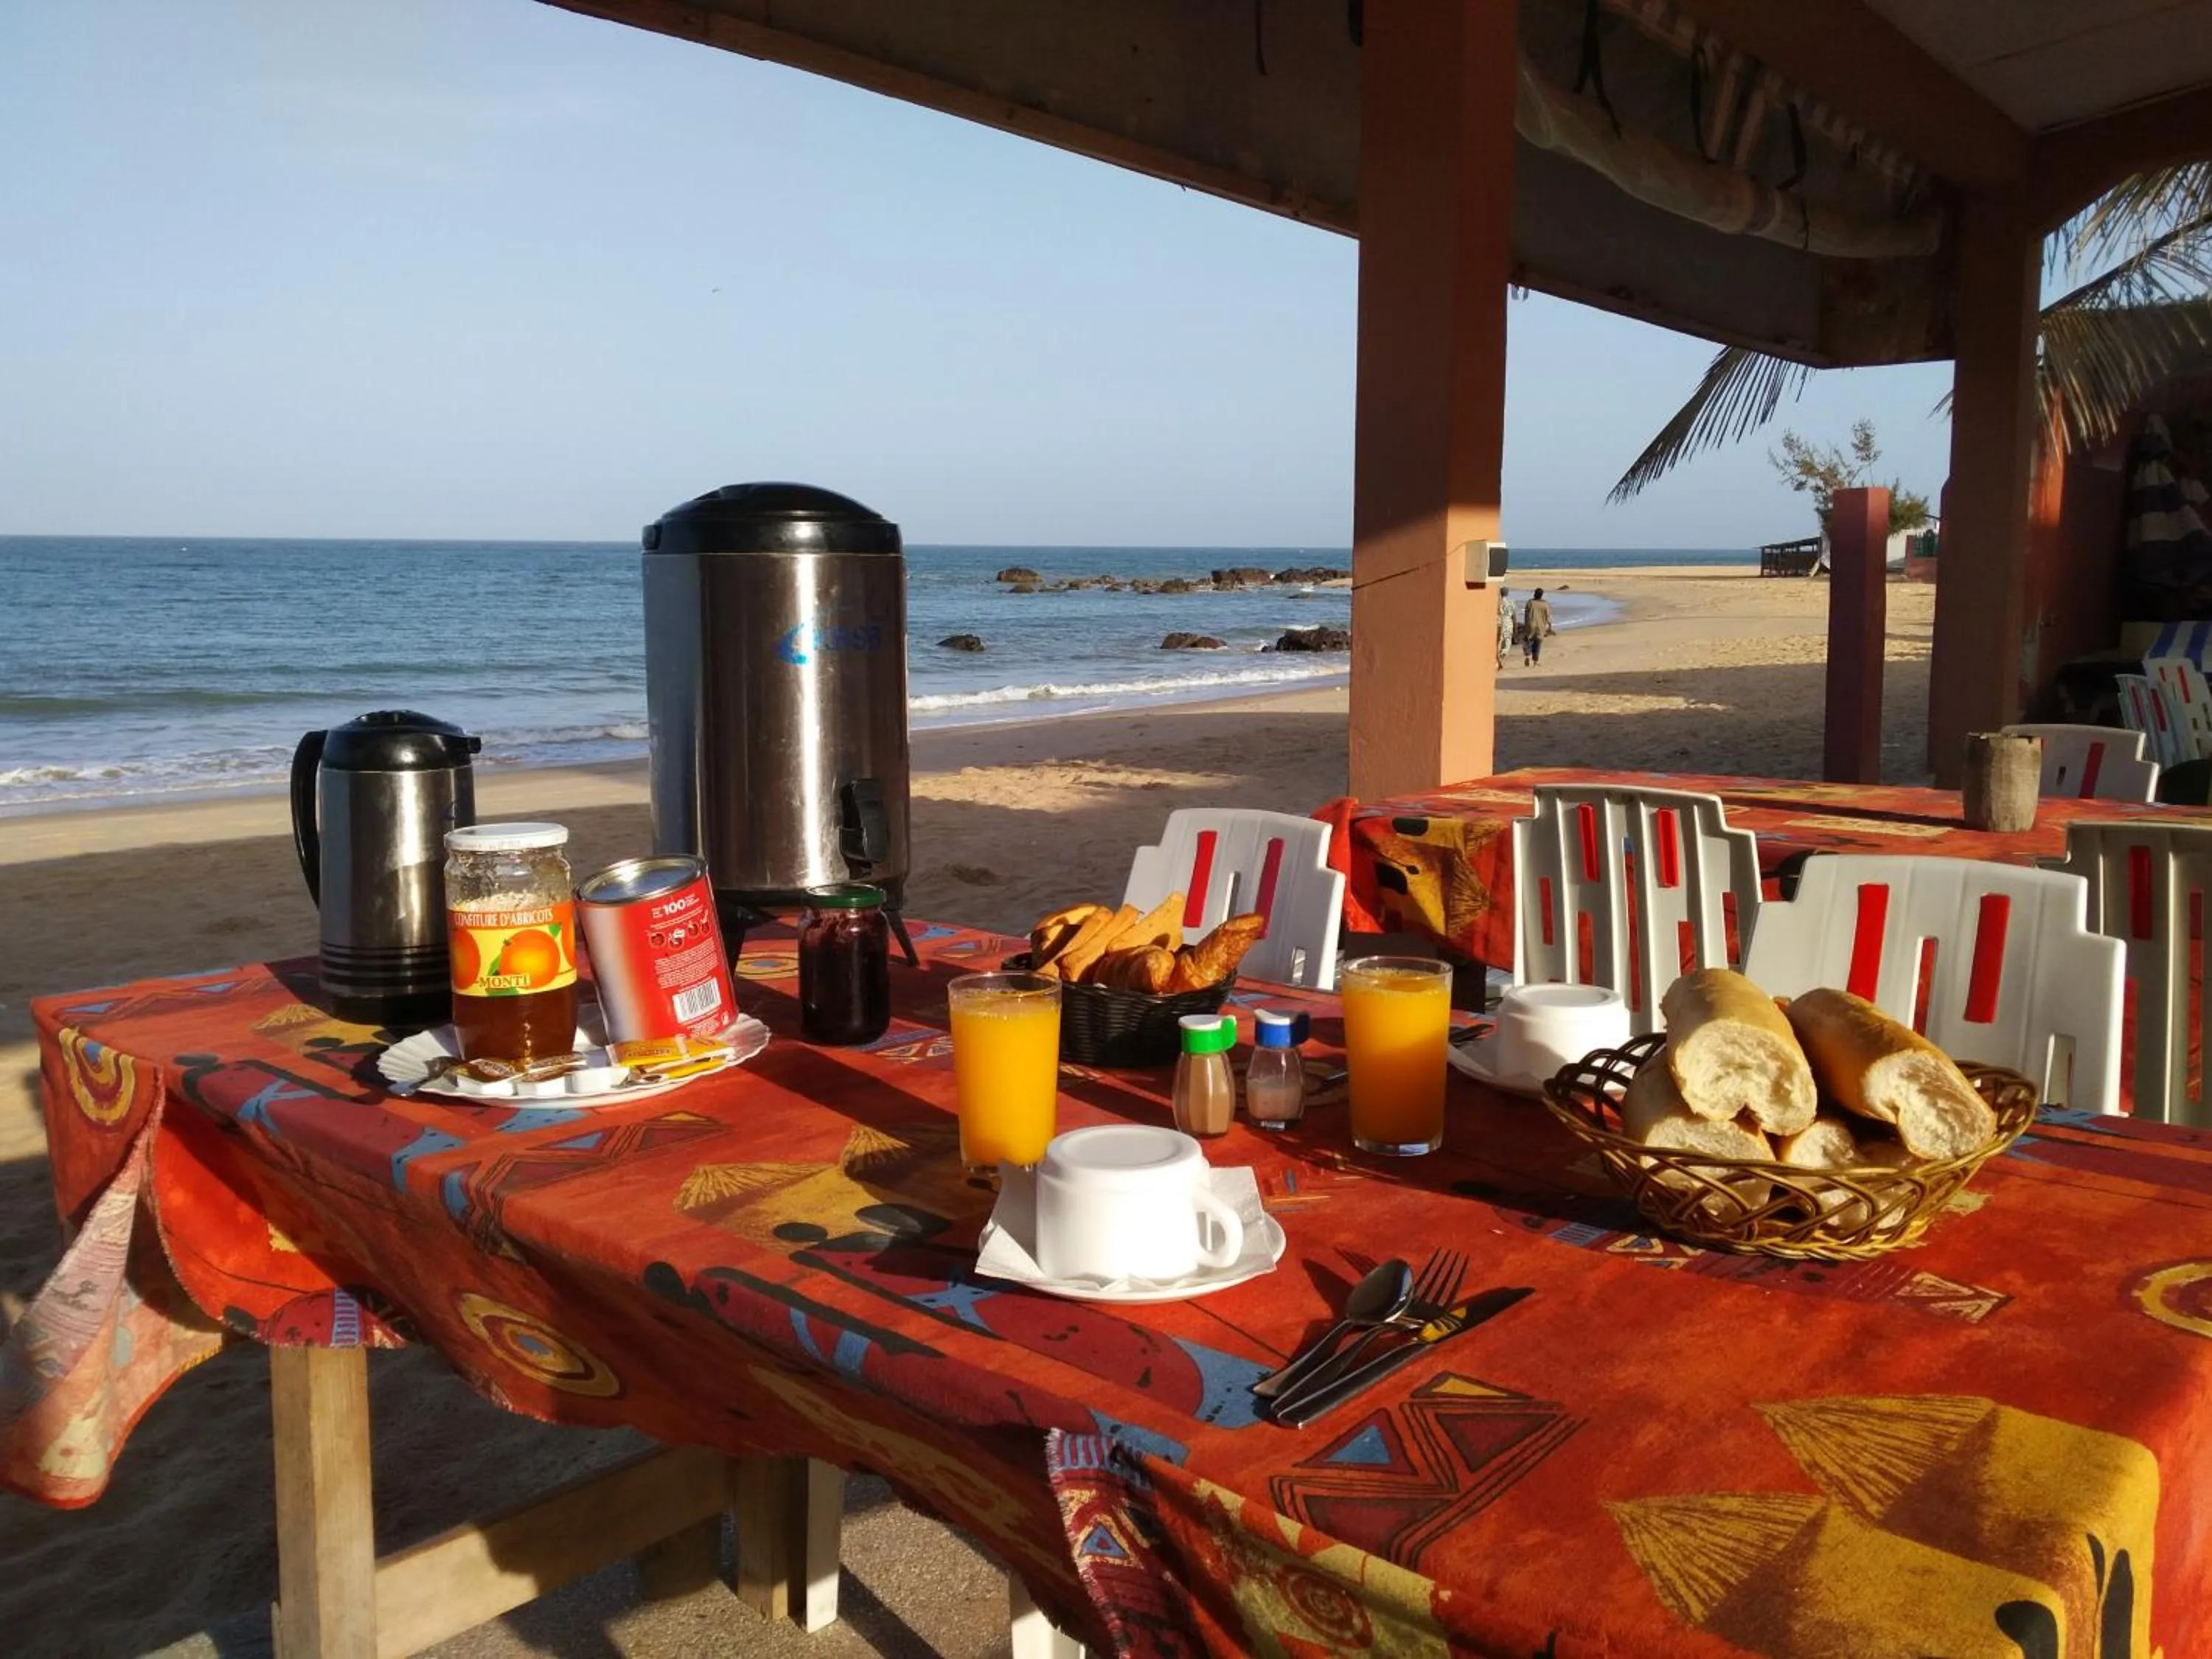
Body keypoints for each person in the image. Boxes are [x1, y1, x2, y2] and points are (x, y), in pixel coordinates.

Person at [1522, 587, 1554, 666]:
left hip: (1531, 625)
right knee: (1538, 644)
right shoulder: (1545, 604)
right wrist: (1550, 626)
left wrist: (1525, 626)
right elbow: (1548, 616)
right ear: (1542, 595)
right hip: (1541, 627)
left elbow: (1526, 615)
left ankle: (1528, 656)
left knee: (1529, 642)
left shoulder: (1530, 603)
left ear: (1534, 594)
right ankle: (1535, 662)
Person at [1495, 586, 1515, 669]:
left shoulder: (1498, 602)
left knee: (1499, 640)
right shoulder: (1511, 603)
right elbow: (1514, 616)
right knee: (1507, 640)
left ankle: (1498, 657)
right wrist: (1515, 626)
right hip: (1508, 622)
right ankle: (1503, 653)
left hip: (1499, 621)